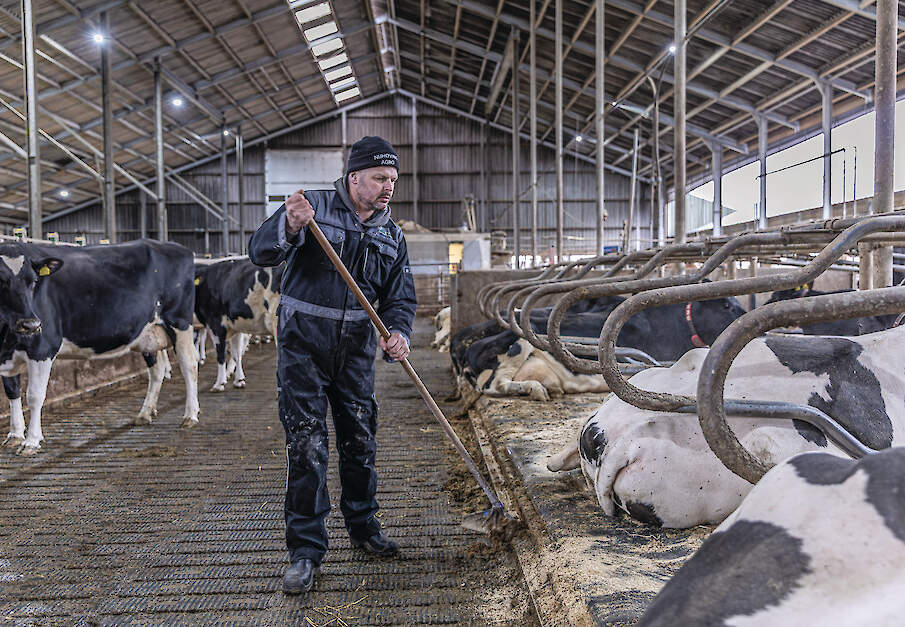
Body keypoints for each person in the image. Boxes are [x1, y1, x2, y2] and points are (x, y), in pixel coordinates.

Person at [248, 136, 417, 595]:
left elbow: (400, 298)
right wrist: (288, 223)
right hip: (303, 347)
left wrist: (399, 332)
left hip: (357, 352)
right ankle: (305, 552)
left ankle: (364, 529)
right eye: (381, 178)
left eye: (393, 180)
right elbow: (260, 252)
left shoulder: (391, 233)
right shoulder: (312, 207)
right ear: (354, 176)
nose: (388, 187)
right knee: (307, 447)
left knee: (360, 442)